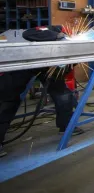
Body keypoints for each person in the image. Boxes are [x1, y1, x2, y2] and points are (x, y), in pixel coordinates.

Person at [0, 25, 82, 157]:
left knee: (63, 95)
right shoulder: (48, 30)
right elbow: (28, 33)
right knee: (9, 100)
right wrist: (56, 37)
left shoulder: (69, 45)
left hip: (47, 65)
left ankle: (66, 126)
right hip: (23, 62)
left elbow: (67, 66)